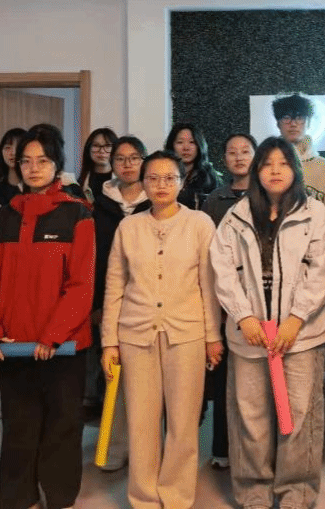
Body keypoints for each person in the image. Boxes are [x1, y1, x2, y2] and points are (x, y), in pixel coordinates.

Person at [0, 123, 94, 509]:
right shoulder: (0, 219)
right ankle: (18, 497)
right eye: (26, 161)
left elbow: (81, 285)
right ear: (17, 166)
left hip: (63, 346)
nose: (34, 168)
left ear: (57, 165)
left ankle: (59, 496)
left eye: (43, 160)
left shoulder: (78, 215)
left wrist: (53, 336)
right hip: (13, 345)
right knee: (19, 424)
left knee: (62, 423)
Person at [211, 136, 325, 509]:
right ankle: (254, 491)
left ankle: (296, 491)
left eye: (283, 163)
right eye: (267, 164)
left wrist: (296, 318)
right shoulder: (237, 215)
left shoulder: (314, 212)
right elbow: (222, 269)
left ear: (295, 169)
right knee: (250, 414)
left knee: (299, 413)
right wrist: (243, 315)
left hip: (302, 332)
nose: (275, 171)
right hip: (249, 332)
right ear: (257, 171)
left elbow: (322, 269)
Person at [101, 150, 222, 509]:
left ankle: (177, 495)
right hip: (135, 334)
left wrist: (213, 336)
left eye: (169, 178)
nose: (161, 185)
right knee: (141, 422)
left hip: (187, 334)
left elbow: (209, 284)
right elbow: (114, 286)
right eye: (152, 178)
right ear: (143, 183)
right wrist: (109, 342)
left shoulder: (200, 224)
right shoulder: (129, 227)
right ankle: (143, 496)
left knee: (183, 422)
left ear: (182, 182)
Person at [88, 135, 150, 469]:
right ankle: (111, 450)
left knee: (145, 384)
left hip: (147, 303)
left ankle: (144, 451)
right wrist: (96, 305)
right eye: (120, 159)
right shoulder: (99, 204)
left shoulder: (156, 200)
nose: (127, 165)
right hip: (109, 303)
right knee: (112, 378)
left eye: (134, 158)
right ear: (111, 164)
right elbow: (94, 260)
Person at [201, 132, 257, 471]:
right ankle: (222, 447)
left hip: (259, 303)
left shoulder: (266, 195)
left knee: (255, 383)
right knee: (223, 381)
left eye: (245, 151)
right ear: (224, 159)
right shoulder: (214, 200)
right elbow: (209, 255)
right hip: (224, 302)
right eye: (232, 152)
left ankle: (255, 452)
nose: (238, 157)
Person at [272, 93, 325, 225]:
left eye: (299, 117)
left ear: (308, 123)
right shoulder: (266, 165)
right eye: (286, 117)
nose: (293, 124)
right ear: (278, 123)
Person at [165, 122, 221, 210]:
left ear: (199, 145)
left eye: (192, 142)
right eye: (180, 142)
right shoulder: (162, 175)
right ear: (172, 146)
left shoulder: (209, 178)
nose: (186, 148)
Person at [77, 127, 117, 203]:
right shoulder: (80, 184)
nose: (102, 151)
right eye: (96, 146)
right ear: (88, 149)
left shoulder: (122, 181)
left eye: (108, 146)